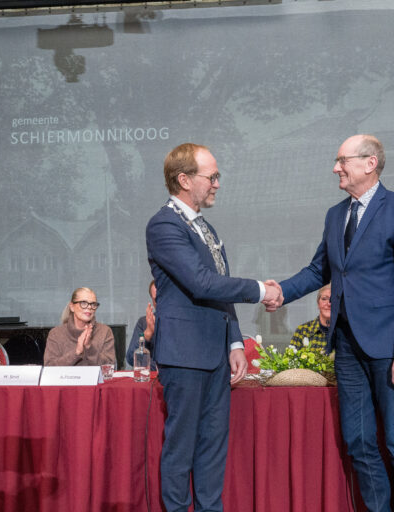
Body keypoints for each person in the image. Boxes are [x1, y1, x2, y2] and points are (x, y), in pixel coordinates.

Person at [272, 134, 394, 511]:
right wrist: (278, 292)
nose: (335, 168)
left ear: (370, 163)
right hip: (346, 346)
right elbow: (319, 270)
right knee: (358, 442)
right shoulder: (335, 215)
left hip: (389, 349)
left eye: (342, 160)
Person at [145, 143, 281, 512]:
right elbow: (202, 283)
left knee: (212, 449)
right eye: (212, 177)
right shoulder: (164, 224)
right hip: (185, 355)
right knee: (181, 449)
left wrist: (234, 342)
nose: (217, 184)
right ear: (184, 179)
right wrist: (261, 289)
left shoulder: (205, 227)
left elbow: (219, 288)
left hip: (215, 356)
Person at [43, 287, 115, 367]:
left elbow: (110, 367)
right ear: (72, 307)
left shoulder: (105, 331)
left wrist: (90, 347)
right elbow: (49, 367)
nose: (89, 307)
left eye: (93, 304)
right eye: (83, 303)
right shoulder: (56, 334)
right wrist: (76, 352)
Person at [125, 280, 158, 370]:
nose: (161, 302)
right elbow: (131, 358)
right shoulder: (144, 322)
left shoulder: (182, 322)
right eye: (156, 299)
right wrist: (147, 333)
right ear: (152, 300)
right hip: (151, 377)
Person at [289, 283, 331, 350]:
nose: (329, 303)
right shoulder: (302, 331)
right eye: (324, 299)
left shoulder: (346, 331)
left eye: (333, 299)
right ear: (318, 304)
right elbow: (290, 356)